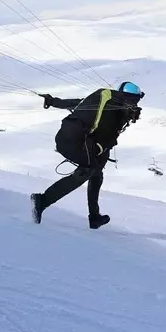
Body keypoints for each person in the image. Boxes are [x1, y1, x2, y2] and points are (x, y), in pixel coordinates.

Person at [30, 81, 144, 229]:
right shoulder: (116, 108)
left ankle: (94, 217)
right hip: (77, 142)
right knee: (86, 172)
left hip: (74, 139)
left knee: (97, 175)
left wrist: (53, 102)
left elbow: (79, 104)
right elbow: (105, 132)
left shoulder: (106, 100)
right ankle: (42, 200)